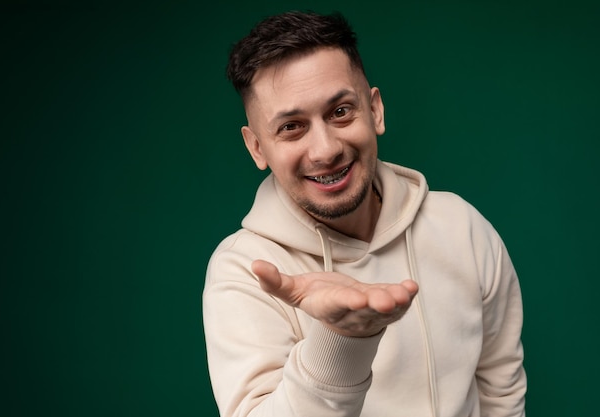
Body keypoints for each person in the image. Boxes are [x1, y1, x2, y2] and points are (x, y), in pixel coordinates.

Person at [202, 10, 526, 417]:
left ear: (375, 110)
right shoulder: (244, 270)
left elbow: (501, 389)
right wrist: (340, 339)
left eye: (340, 112)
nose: (325, 150)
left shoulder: (462, 228)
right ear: (257, 148)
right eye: (291, 127)